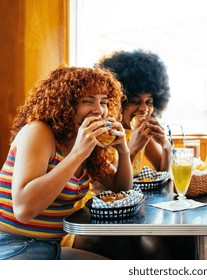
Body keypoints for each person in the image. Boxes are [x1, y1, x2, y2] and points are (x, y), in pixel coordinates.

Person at [0, 65, 133, 259]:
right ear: (64, 105)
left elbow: (121, 190)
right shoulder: (39, 132)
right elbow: (23, 209)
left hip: (51, 247)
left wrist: (123, 150)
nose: (99, 111)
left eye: (103, 102)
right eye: (87, 101)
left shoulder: (87, 145)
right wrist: (78, 154)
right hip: (10, 245)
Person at [73, 49, 195, 259]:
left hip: (137, 213)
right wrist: (132, 147)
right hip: (102, 216)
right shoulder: (103, 132)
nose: (144, 109)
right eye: (136, 101)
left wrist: (166, 146)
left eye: (149, 102)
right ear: (119, 101)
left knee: (169, 240)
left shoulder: (140, 131)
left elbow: (164, 176)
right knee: (151, 244)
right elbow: (107, 187)